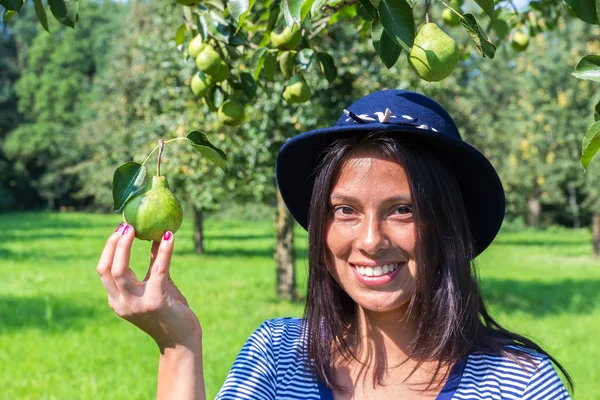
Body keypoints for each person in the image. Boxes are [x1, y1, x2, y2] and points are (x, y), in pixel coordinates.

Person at [97, 90, 573, 399]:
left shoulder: (517, 385)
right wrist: (179, 347)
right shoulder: (278, 357)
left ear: (449, 225)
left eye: (403, 210)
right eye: (345, 210)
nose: (369, 240)